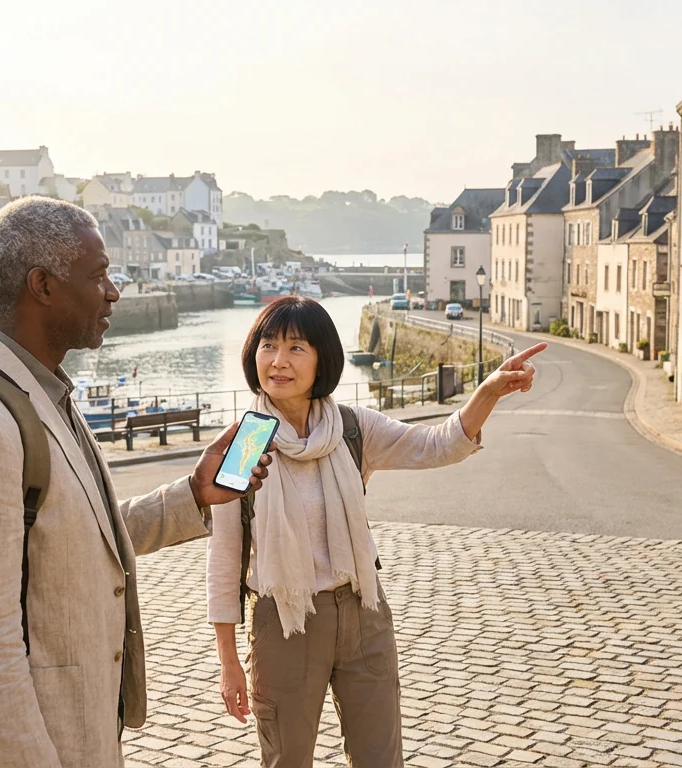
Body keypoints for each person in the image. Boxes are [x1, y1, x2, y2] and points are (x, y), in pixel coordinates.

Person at [0, 197, 273, 767]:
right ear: (43, 286)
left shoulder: (39, 394)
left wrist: (195, 494)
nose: (114, 291)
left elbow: (80, 536)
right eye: (98, 274)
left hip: (75, 734)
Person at [207, 297, 544, 767]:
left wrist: (486, 392)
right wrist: (227, 663)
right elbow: (223, 562)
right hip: (284, 619)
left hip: (362, 610)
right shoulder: (243, 446)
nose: (278, 361)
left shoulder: (349, 428)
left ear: (322, 358)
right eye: (268, 345)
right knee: (287, 760)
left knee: (380, 759)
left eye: (296, 348)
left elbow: (436, 445)